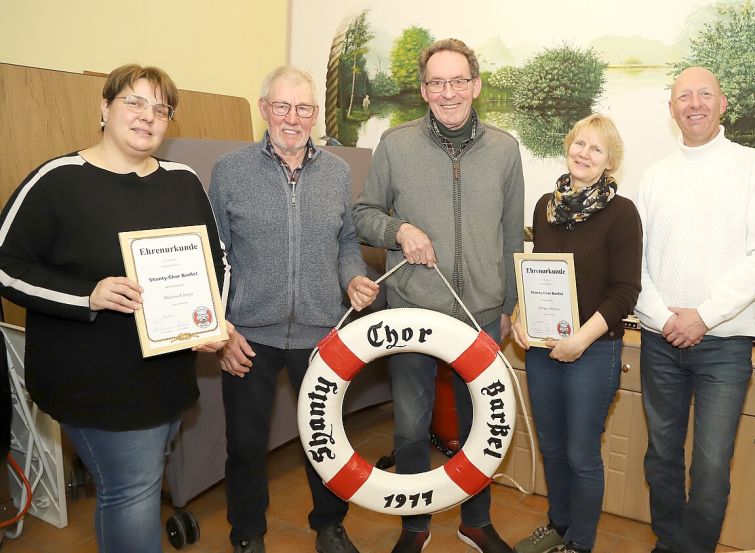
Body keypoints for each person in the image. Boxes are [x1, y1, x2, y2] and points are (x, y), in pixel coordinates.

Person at [0, 64, 228, 553]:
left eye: (160, 109)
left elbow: (216, 259)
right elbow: (5, 265)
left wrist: (212, 318)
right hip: (96, 382)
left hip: (168, 376)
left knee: (134, 485)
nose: (148, 116)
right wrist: (88, 294)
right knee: (133, 492)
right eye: (134, 102)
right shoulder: (58, 180)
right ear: (104, 107)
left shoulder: (182, 181)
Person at [354, 38, 523, 553]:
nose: (448, 92)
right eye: (437, 82)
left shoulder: (505, 149)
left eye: (458, 81)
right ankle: (414, 525)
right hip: (412, 308)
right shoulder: (395, 144)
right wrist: (399, 230)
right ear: (424, 90)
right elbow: (363, 215)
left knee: (481, 426)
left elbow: (512, 236)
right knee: (410, 426)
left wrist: (509, 305)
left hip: (481, 313)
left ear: (476, 86)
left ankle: (476, 521)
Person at [209, 65, 378, 553]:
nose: (292, 118)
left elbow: (346, 241)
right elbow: (213, 254)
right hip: (248, 336)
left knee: (325, 441)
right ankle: (247, 534)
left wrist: (353, 278)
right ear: (264, 109)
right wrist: (221, 330)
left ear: (315, 114)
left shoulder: (337, 172)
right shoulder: (230, 171)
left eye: (303, 108)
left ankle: (330, 525)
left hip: (320, 334)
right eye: (282, 106)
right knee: (245, 446)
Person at [634, 66, 755, 553]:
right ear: (672, 108)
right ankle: (668, 542)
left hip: (725, 345)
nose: (694, 104)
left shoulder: (752, 168)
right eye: (684, 96)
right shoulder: (654, 176)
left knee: (712, 465)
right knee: (661, 455)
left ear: (723, 104)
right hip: (660, 341)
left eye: (705, 94)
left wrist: (703, 316)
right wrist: (665, 318)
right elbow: (633, 261)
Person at [511, 114, 642, 553]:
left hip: (593, 350)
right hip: (542, 349)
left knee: (581, 454)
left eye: (596, 148)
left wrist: (580, 340)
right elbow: (537, 274)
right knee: (551, 446)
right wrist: (520, 315)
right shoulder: (545, 207)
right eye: (579, 144)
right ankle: (558, 526)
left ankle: (579, 544)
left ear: (610, 161)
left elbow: (625, 291)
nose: (584, 154)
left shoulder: (622, 214)